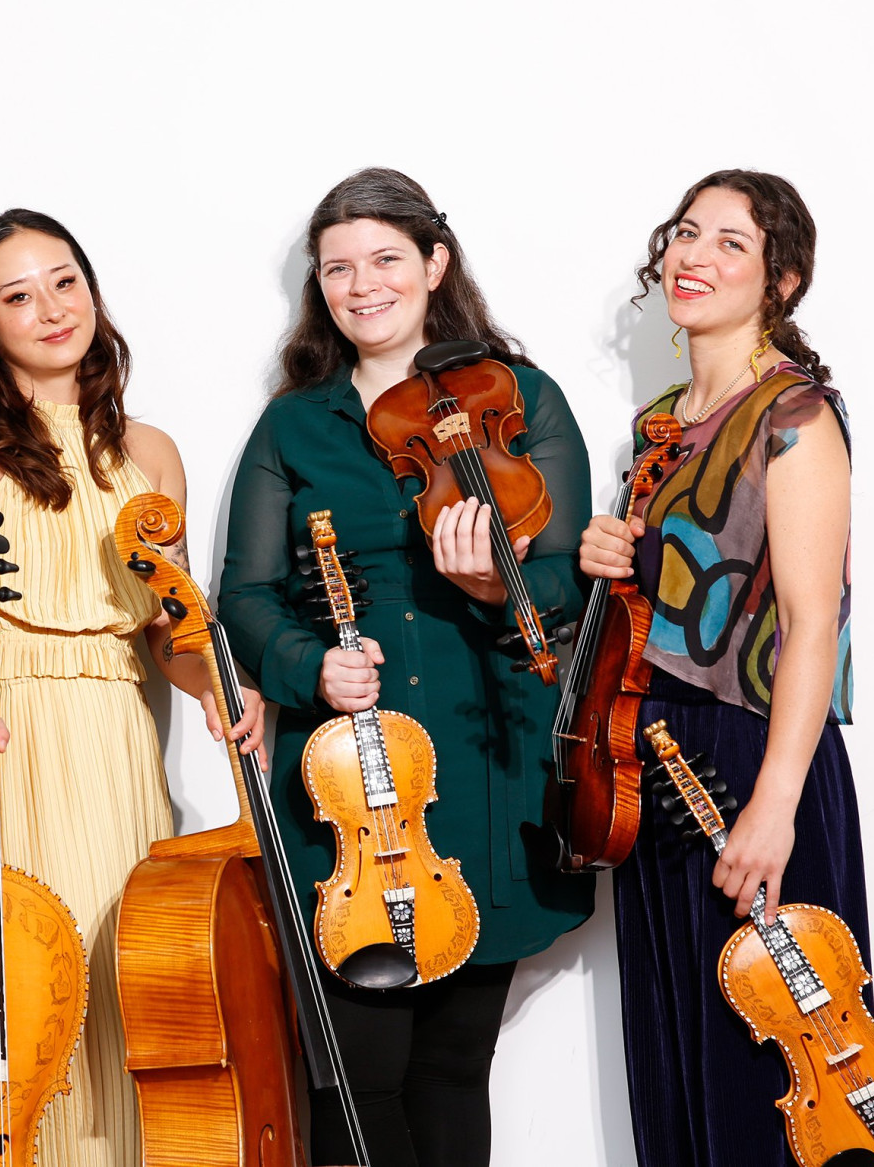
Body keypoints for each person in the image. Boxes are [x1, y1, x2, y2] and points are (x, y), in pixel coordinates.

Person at [216, 167, 595, 1167]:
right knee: (356, 1070)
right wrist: (308, 667)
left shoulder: (519, 398)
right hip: (348, 780)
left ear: (434, 263)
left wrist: (492, 588)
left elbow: (567, 580)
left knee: (453, 1065)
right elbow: (242, 597)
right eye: (336, 266)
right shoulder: (294, 425)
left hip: (484, 760)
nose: (361, 283)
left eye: (385, 257)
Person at [0, 208, 264, 1167]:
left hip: (114, 738)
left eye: (65, 281)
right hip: (10, 736)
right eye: (17, 295)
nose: (51, 308)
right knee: (26, 991)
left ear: (93, 290)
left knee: (131, 991)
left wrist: (216, 686)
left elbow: (168, 632)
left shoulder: (149, 454)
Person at [577, 169, 865, 1167]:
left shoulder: (795, 415)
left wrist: (776, 803)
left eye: (729, 243)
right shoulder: (662, 420)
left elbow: (808, 621)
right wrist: (614, 557)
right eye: (685, 233)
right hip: (653, 750)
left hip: (755, 748)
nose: (693, 256)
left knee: (777, 1063)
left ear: (779, 279)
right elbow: (673, 600)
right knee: (678, 1049)